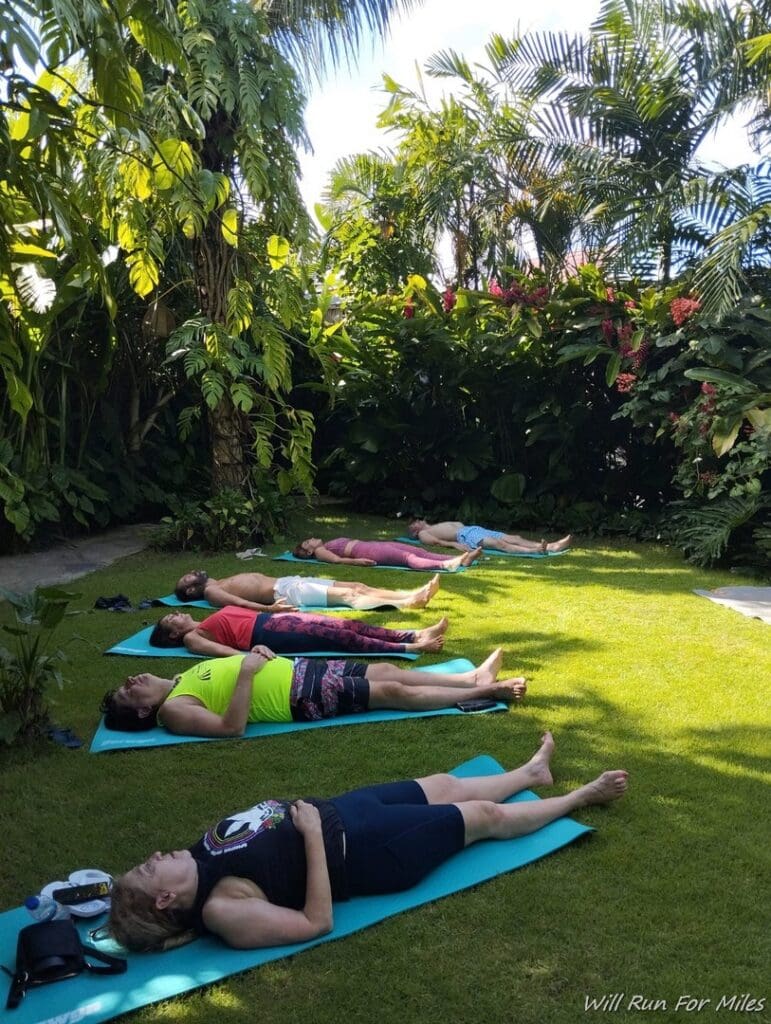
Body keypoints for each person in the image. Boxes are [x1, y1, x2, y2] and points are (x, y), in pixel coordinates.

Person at [106, 731, 628, 952]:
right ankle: (581, 798)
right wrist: (311, 835)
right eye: (148, 871)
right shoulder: (222, 909)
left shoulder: (196, 860)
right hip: (369, 855)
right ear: (166, 899)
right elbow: (316, 922)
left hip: (346, 810)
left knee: (446, 783)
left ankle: (531, 772)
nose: (153, 857)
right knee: (482, 816)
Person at [100, 645, 526, 734]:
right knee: (393, 690)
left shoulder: (180, 680)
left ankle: (469, 678)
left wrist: (254, 657)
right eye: (126, 692)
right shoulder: (173, 710)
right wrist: (248, 672)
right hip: (297, 697)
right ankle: (486, 694)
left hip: (298, 669)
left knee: (383, 668)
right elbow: (231, 728)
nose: (130, 681)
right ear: (142, 712)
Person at [149, 606, 450, 657]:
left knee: (346, 624)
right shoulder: (192, 638)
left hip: (271, 620)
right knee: (339, 638)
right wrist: (248, 655)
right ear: (173, 635)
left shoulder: (202, 623)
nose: (176, 614)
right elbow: (221, 651)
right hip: (267, 636)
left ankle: (413, 634)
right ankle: (412, 648)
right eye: (170, 619)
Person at [174, 569, 441, 612]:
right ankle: (407, 604)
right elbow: (235, 603)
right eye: (188, 578)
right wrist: (269, 609)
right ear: (190, 591)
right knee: (349, 597)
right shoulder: (212, 592)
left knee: (358, 586)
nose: (194, 572)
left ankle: (410, 593)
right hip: (287, 593)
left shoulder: (215, 581)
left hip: (289, 581)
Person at [293, 537, 482, 572]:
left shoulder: (323, 545)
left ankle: (462, 560)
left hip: (371, 545)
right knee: (408, 558)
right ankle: (446, 565)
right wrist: (358, 562)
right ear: (309, 551)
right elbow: (337, 560)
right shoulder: (319, 551)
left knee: (418, 551)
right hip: (366, 551)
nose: (311, 539)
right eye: (307, 542)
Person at [408, 519, 573, 555]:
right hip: (466, 536)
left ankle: (552, 546)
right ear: (415, 532)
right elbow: (436, 542)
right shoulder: (423, 533)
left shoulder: (435, 525)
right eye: (413, 525)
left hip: (474, 529)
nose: (416, 522)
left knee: (514, 537)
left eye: (416, 521)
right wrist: (454, 545)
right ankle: (536, 550)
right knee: (498, 544)